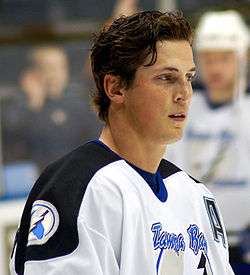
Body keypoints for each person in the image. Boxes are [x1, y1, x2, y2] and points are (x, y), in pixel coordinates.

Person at [10, 11, 234, 274]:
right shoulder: (76, 188)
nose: (184, 93)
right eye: (166, 78)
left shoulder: (196, 195)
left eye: (189, 77)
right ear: (115, 88)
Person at [165, 10, 250, 264]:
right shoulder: (180, 107)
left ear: (243, 57)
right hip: (191, 241)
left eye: (225, 58)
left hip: (241, 247)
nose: (215, 67)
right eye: (208, 59)